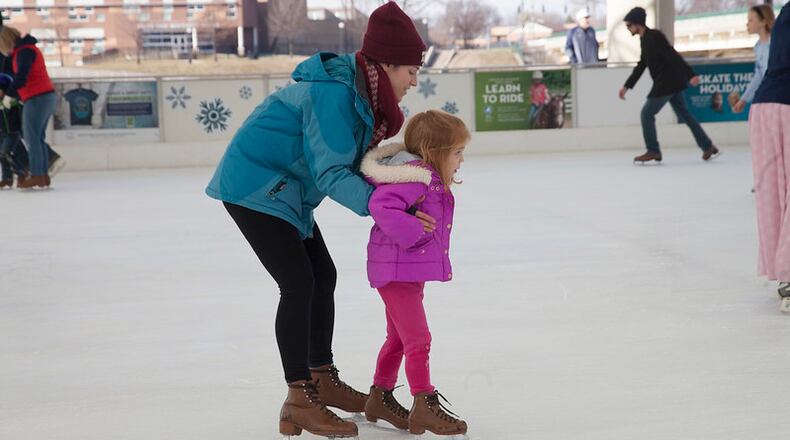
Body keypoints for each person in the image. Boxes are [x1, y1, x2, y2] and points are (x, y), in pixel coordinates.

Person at [205, 3, 435, 438]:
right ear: (386, 65)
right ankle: (298, 397)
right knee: (298, 282)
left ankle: (321, 377)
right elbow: (332, 172)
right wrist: (386, 208)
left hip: (288, 192)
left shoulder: (363, 97)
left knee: (322, 275)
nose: (414, 81)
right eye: (410, 70)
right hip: (254, 185)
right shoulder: (334, 94)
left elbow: (356, 163)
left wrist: (401, 179)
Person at [359, 110, 469, 436]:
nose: (461, 161)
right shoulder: (414, 177)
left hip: (404, 270)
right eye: (457, 153)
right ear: (434, 152)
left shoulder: (423, 177)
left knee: (398, 338)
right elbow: (382, 206)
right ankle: (424, 402)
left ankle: (379, 396)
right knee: (418, 339)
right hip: (395, 271)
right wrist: (413, 229)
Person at [618, 7, 720, 164]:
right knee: (685, 115)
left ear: (638, 24)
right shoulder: (644, 39)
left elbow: (672, 54)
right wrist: (627, 86)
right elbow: (642, 65)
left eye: (629, 25)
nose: (628, 28)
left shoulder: (655, 37)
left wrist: (690, 74)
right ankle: (708, 146)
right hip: (671, 83)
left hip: (666, 83)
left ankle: (653, 150)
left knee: (646, 114)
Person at [748, 2, 790, 313]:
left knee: (772, 195)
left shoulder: (787, 11)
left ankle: (782, 273)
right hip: (786, 108)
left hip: (763, 107)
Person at [0, 26, 63, 189]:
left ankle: (36, 175)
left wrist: (10, 95)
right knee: (37, 138)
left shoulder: (24, 51)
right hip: (41, 96)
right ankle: (42, 176)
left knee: (31, 138)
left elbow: (22, 76)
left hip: (37, 98)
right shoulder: (25, 50)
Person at [732, 5, 775, 114]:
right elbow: (759, 75)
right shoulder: (758, 47)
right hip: (769, 96)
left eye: (751, 20)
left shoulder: (777, 43)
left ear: (763, 22)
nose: (747, 24)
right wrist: (743, 99)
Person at [0, 94, 28, 189]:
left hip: (13, 131)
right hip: (3, 131)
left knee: (6, 153)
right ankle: (7, 178)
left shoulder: (13, 100)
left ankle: (22, 173)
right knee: (3, 155)